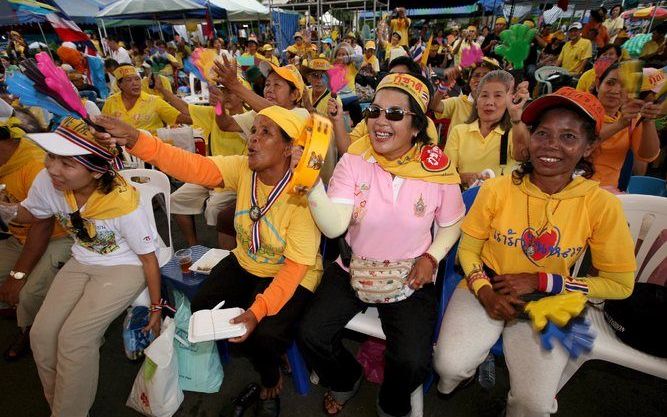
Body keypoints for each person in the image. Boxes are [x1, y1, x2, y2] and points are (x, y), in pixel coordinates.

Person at [93, 106, 323, 417]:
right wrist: (136, 140)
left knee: (265, 335)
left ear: (289, 148)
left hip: (291, 274)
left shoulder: (303, 195)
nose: (252, 139)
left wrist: (257, 312)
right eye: (253, 131)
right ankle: (253, 348)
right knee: (203, 303)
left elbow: (294, 268)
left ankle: (270, 377)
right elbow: (193, 166)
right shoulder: (243, 169)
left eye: (265, 133)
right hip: (246, 261)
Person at [434, 86, 636, 417]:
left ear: (589, 147)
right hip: (486, 283)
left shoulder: (601, 205)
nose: (551, 145)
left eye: (569, 136)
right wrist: (485, 292)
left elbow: (619, 284)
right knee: (448, 367)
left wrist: (541, 281)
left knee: (534, 406)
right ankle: (475, 360)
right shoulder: (497, 188)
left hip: (552, 299)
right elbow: (468, 251)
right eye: (542, 133)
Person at [299, 72, 465, 417]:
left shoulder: (437, 170)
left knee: (413, 361)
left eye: (394, 114)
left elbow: (451, 225)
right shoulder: (355, 160)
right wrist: (310, 183)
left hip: (410, 274)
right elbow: (334, 227)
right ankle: (346, 378)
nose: (379, 121)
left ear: (417, 126)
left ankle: (391, 402)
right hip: (353, 268)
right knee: (311, 333)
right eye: (374, 111)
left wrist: (432, 258)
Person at [0, 117, 162, 417]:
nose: (52, 169)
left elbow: (148, 258)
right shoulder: (48, 183)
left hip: (124, 266)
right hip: (82, 258)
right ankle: (59, 406)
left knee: (75, 339)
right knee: (42, 335)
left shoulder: (124, 203)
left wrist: (156, 308)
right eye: (51, 158)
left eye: (67, 164)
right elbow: (28, 213)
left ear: (95, 171)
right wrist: (5, 208)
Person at [0, 121, 72, 361]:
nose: (53, 165)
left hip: (57, 238)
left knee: (30, 291)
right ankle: (19, 309)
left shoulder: (34, 167)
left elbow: (42, 224)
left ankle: (28, 329)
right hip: (19, 236)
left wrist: (16, 276)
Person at [445, 70, 527, 187]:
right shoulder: (459, 132)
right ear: (476, 102)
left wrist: (517, 118)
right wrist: (464, 177)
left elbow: (523, 156)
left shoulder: (514, 132)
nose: (489, 102)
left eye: (498, 95)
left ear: (510, 100)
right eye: (484, 95)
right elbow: (445, 174)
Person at [590, 61, 661, 190]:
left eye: (624, 86)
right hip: (572, 187)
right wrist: (620, 124)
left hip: (608, 193)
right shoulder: (581, 110)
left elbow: (647, 156)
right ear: (598, 84)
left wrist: (648, 121)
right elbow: (583, 145)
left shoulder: (632, 118)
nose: (616, 90)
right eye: (610, 83)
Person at [102, 65, 191, 133]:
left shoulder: (154, 101)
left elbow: (179, 118)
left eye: (137, 79)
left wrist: (199, 117)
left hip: (152, 149)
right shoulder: (111, 102)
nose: (135, 83)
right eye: (129, 80)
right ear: (119, 84)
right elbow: (104, 126)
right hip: (123, 151)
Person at [430, 57, 501, 136]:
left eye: (486, 76)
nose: (480, 79)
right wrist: (444, 85)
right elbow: (434, 106)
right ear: (470, 82)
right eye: (476, 75)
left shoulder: (499, 108)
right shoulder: (457, 103)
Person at [301, 58, 344, 183]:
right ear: (308, 78)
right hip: (303, 143)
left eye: (323, 76)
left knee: (321, 183)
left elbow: (332, 128)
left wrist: (309, 108)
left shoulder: (334, 99)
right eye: (315, 75)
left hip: (323, 147)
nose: (319, 80)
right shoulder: (305, 93)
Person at [331, 42, 364, 126]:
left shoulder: (352, 67)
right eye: (339, 54)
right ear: (335, 56)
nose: (342, 57)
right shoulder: (332, 67)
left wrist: (348, 58)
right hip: (337, 99)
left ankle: (359, 129)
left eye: (344, 54)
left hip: (351, 99)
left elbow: (360, 58)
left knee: (356, 109)